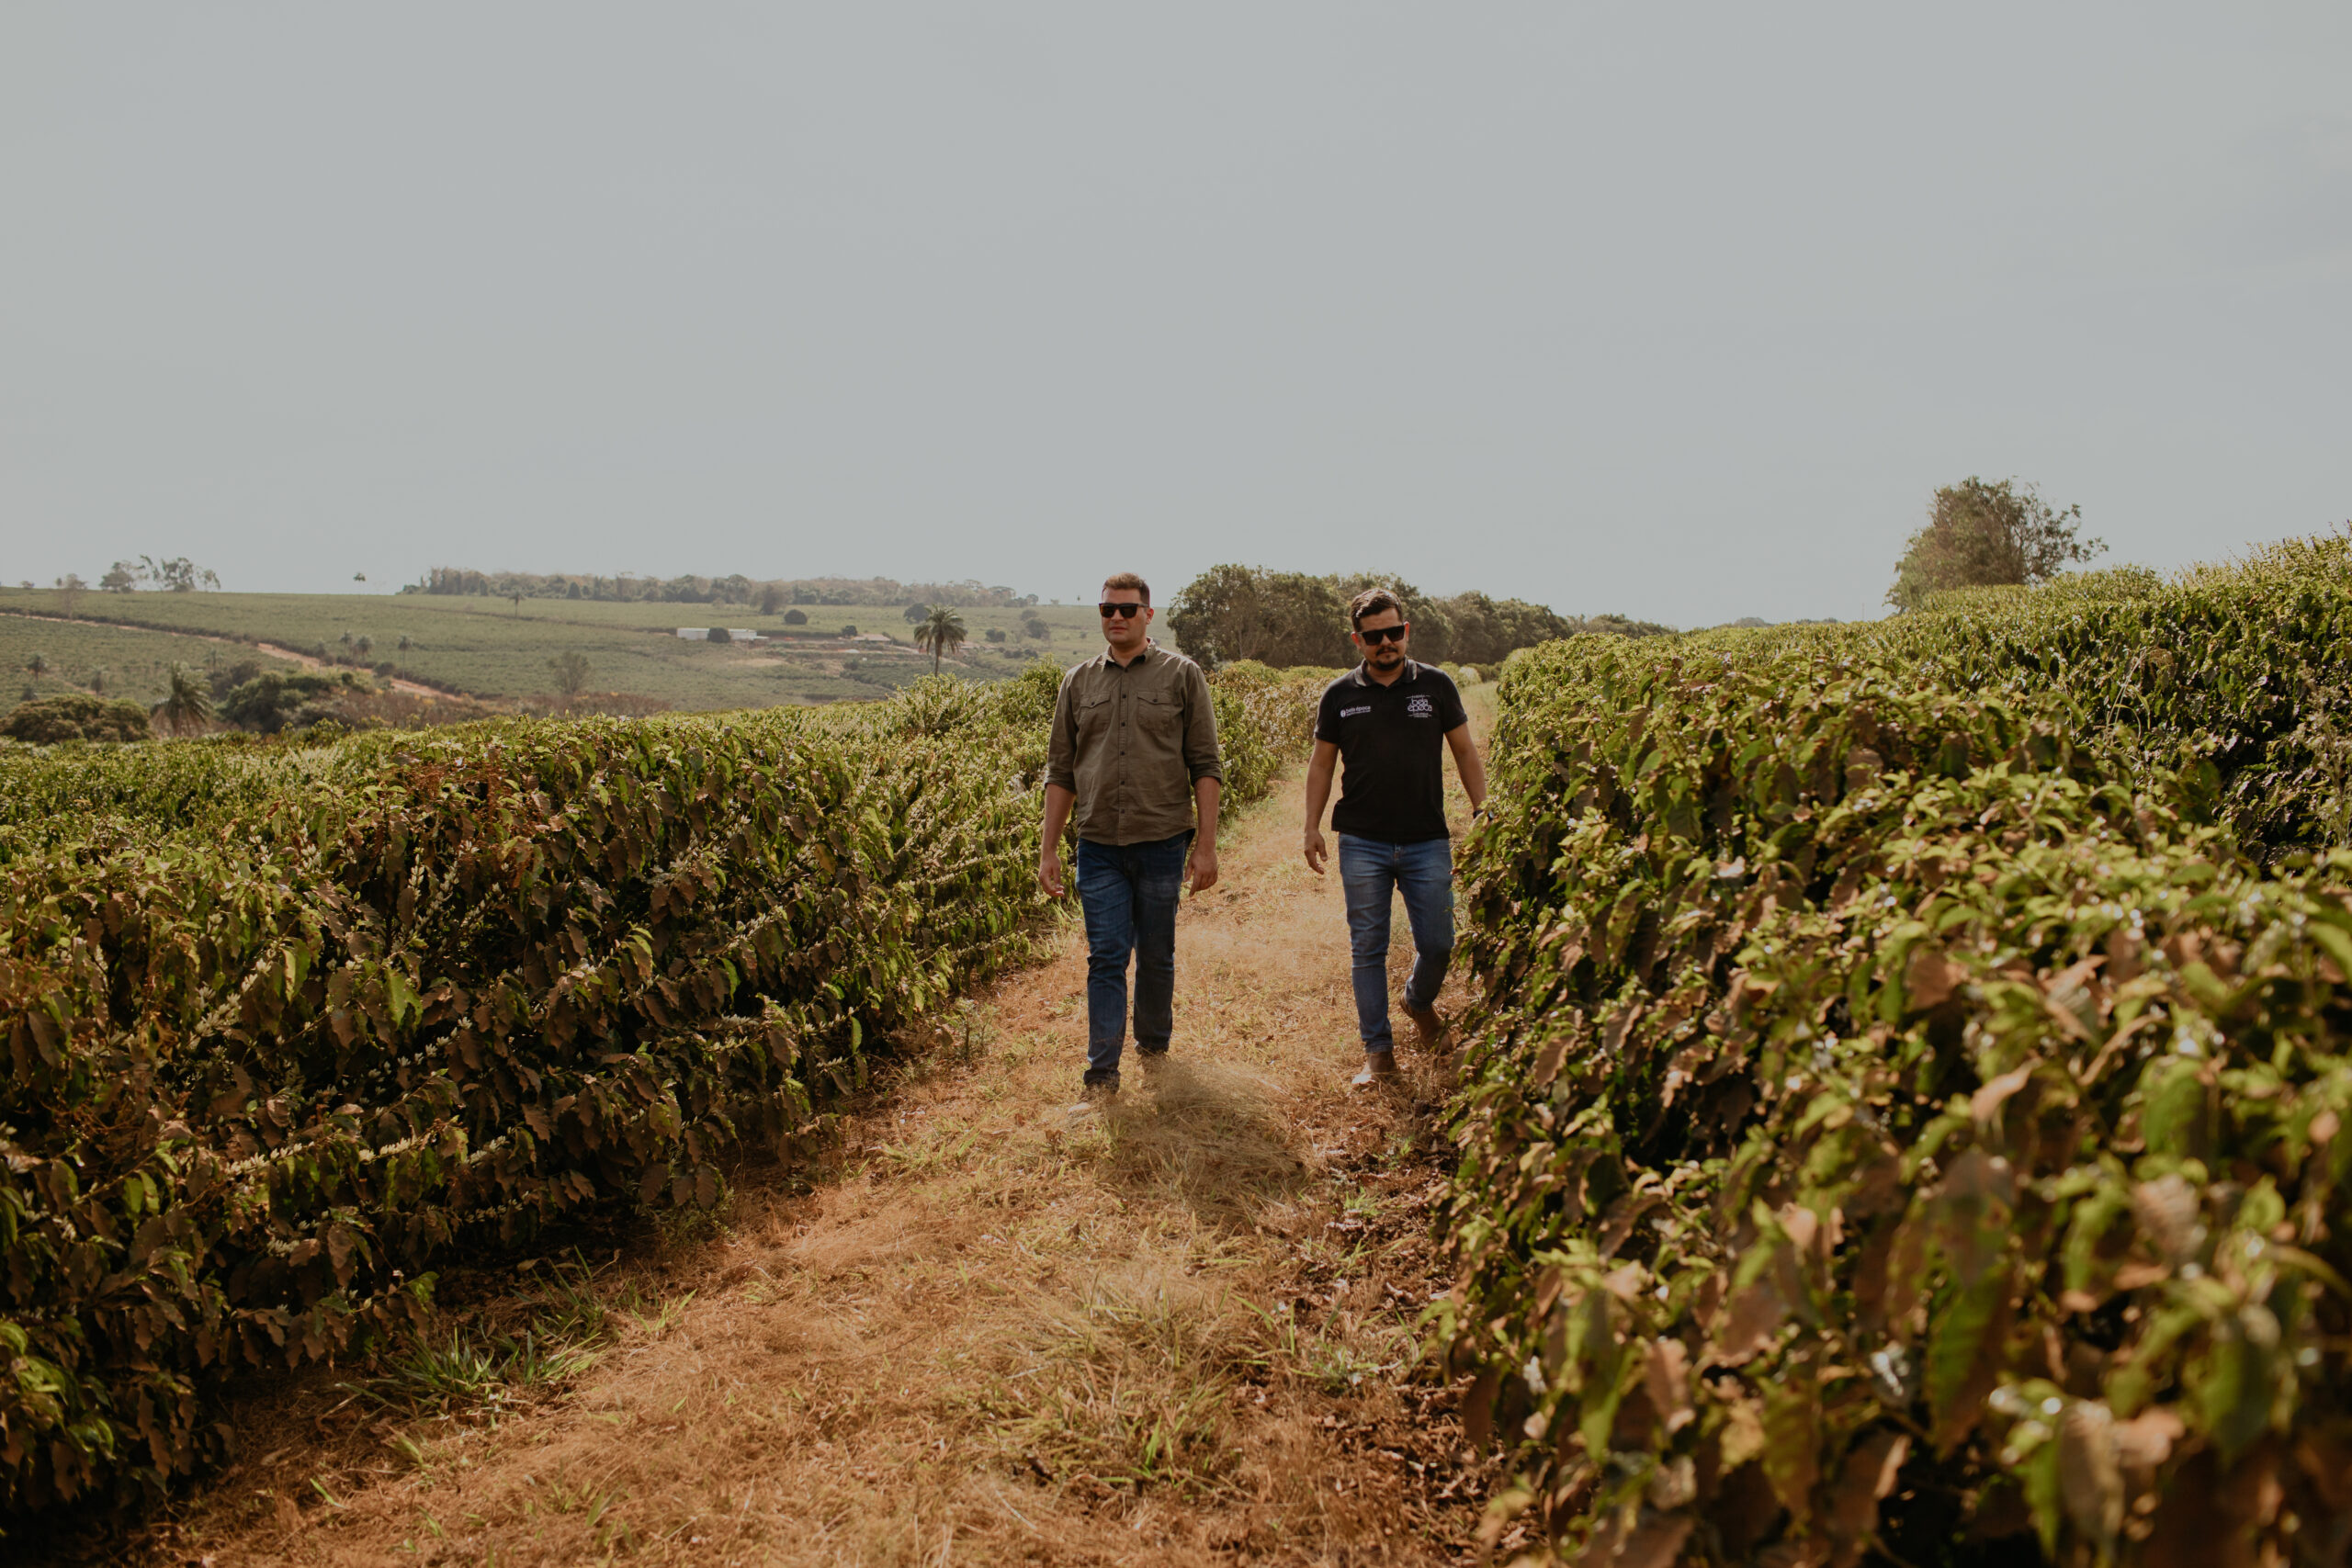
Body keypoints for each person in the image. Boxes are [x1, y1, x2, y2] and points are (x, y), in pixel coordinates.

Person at [1040, 571, 1223, 1109]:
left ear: (1148, 614)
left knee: (1157, 954)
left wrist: (1206, 846)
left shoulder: (1182, 676)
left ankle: (1153, 1044)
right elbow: (1060, 771)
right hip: (1096, 843)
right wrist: (1049, 849)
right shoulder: (1077, 682)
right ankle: (1101, 1073)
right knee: (1106, 957)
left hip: (1162, 838)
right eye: (1106, 609)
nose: (1115, 617)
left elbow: (1205, 765)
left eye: (1126, 609)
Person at [1302, 586, 1487, 1087]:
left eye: (1394, 633)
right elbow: (1322, 763)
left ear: (1405, 632)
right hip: (1362, 841)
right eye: (1374, 636)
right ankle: (1378, 1055)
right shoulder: (1339, 696)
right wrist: (1311, 825)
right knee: (1368, 947)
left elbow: (1466, 753)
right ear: (1357, 640)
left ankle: (1418, 1001)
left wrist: (1482, 809)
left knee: (1440, 942)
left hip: (1427, 838)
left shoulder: (1437, 686)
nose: (1386, 643)